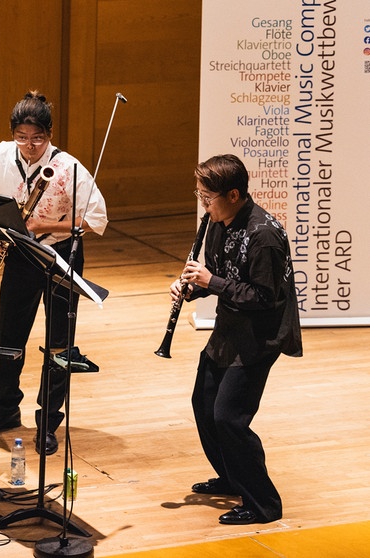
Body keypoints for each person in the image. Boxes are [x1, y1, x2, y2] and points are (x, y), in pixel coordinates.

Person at [0, 91, 108, 455]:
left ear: (50, 134)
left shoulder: (69, 167)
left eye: (38, 138)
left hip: (60, 256)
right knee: (8, 336)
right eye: (22, 137)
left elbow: (96, 220)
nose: (30, 146)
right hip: (20, 255)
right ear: (13, 133)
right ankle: (6, 409)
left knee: (59, 343)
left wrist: (43, 223)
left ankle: (48, 421)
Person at [172, 154, 301, 525]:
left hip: (260, 337)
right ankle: (231, 477)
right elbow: (219, 275)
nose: (203, 205)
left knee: (229, 417)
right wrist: (192, 288)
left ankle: (264, 504)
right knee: (203, 402)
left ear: (232, 194)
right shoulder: (217, 221)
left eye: (206, 198)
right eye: (199, 196)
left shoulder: (265, 236)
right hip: (230, 328)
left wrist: (210, 282)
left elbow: (263, 297)